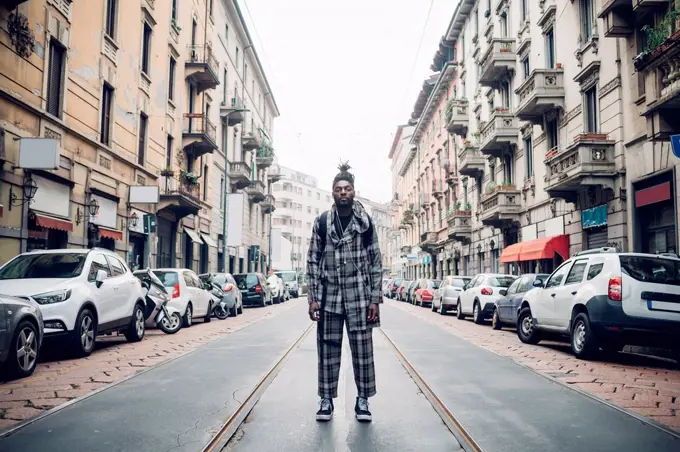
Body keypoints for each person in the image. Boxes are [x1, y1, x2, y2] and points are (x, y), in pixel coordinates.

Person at [307, 161, 382, 423]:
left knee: (363, 350)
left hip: (360, 298)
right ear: (332, 193)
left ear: (354, 192)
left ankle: (363, 400)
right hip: (329, 298)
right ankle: (326, 400)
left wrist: (375, 299)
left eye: (347, 188)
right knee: (327, 351)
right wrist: (313, 298)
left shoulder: (365, 222)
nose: (343, 192)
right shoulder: (323, 221)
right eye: (338, 188)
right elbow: (313, 260)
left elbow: (375, 260)